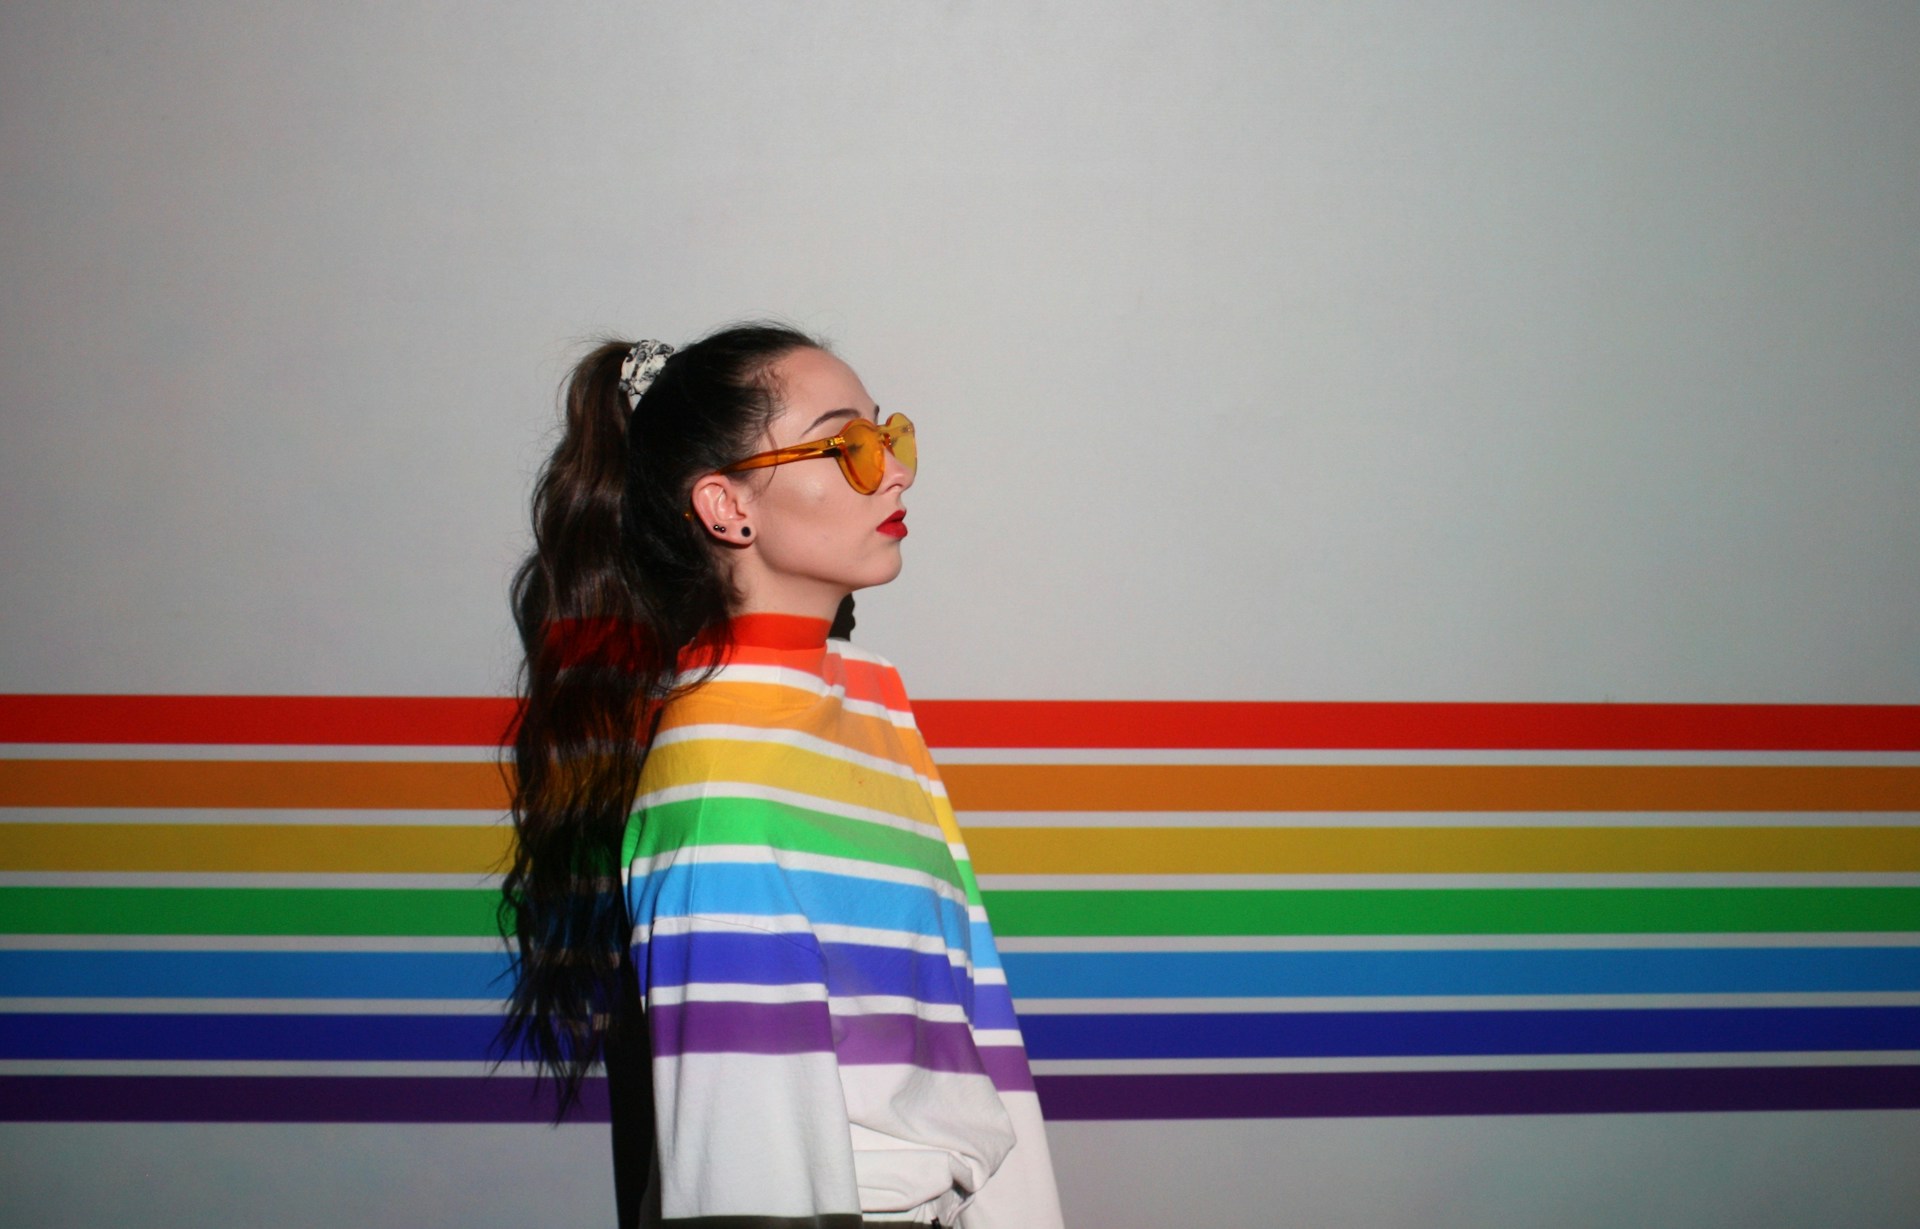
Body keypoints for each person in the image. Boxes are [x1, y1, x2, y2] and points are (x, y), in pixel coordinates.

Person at [501, 323, 1065, 1228]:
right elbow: (744, 1166)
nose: (894, 470)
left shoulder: (869, 705)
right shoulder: (719, 770)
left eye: (888, 435)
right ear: (727, 508)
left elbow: (975, 1039)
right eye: (848, 444)